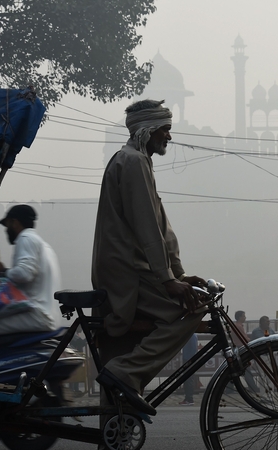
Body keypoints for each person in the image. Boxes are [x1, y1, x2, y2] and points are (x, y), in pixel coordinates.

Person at [91, 99, 206, 416]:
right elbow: (147, 229)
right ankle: (126, 372)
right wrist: (169, 281)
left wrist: (178, 275)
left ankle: (121, 385)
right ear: (149, 130)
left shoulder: (136, 161)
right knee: (193, 307)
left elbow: (161, 230)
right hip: (128, 275)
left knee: (117, 391)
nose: (169, 137)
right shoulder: (132, 163)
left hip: (133, 273)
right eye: (165, 130)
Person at [0, 204, 61, 337]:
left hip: (36, 313)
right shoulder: (44, 245)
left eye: (7, 225)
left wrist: (3, 271)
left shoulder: (25, 238)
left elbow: (24, 274)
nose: (6, 231)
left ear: (15, 222)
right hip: (46, 314)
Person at [178, 334, 198, 406]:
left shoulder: (191, 335)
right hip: (188, 358)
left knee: (188, 379)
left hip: (188, 359)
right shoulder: (192, 335)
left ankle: (189, 399)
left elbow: (193, 348)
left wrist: (190, 359)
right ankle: (188, 398)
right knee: (188, 379)